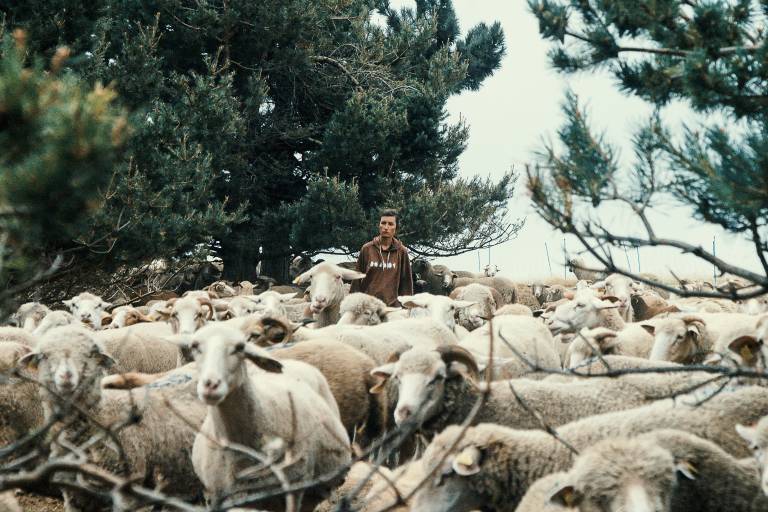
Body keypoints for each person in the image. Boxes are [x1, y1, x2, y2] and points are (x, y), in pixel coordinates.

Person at [350, 209, 413, 306]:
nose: (386, 227)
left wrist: (406, 308)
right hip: (368, 307)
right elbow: (356, 281)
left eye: (390, 224)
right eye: (383, 223)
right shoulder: (367, 249)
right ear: (379, 225)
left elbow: (406, 284)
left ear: (396, 228)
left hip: (392, 310)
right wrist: (352, 305)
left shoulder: (401, 251)